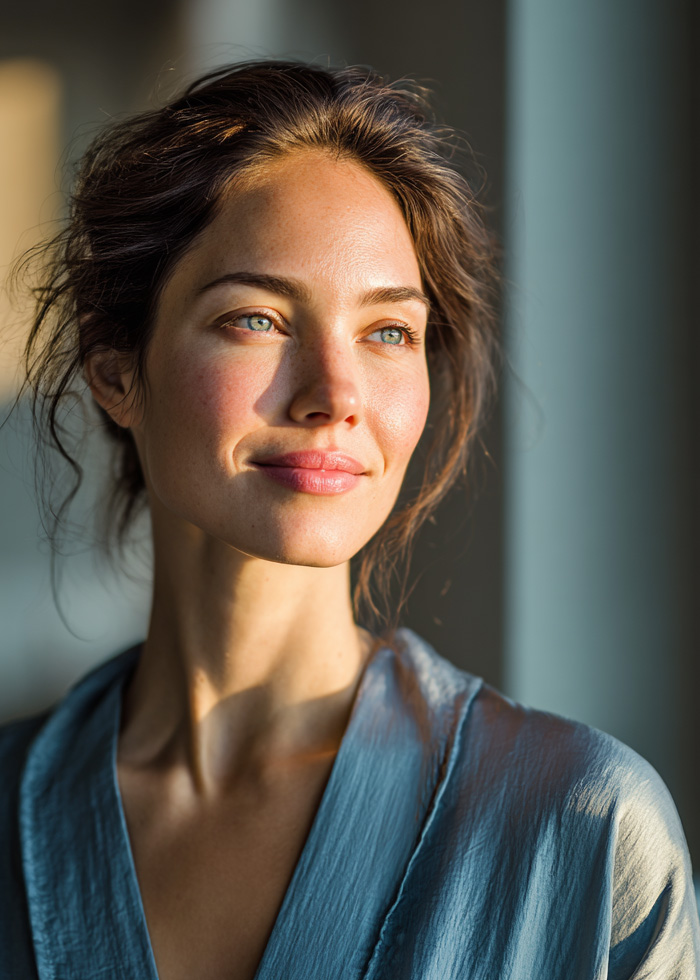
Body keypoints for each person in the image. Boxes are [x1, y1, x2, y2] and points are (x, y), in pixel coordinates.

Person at [0, 59, 698, 980]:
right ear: (116, 367)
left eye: (387, 333)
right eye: (257, 319)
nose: (336, 397)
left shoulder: (583, 832)